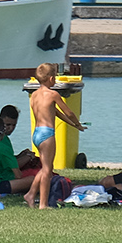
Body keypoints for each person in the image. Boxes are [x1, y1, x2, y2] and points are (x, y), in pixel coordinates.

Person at [24, 65, 82, 210]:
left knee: (46, 168)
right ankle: (43, 204)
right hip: (47, 134)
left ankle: (30, 194)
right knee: (47, 170)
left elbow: (55, 112)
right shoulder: (53, 94)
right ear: (51, 79)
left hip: (37, 133)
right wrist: (77, 123)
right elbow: (68, 112)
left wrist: (73, 125)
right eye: (55, 77)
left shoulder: (34, 95)